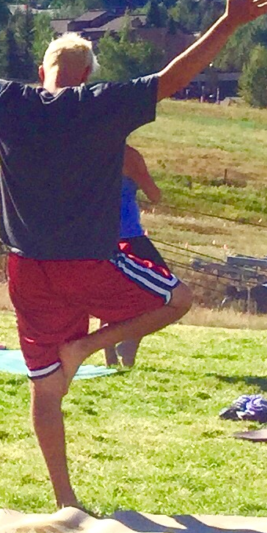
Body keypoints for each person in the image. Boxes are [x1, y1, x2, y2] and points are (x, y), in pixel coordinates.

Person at [0, 0, 267, 508]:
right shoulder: (102, 103)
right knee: (177, 300)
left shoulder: (8, 100)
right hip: (90, 261)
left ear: (41, 72)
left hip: (25, 270)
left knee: (46, 388)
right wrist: (226, 23)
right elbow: (173, 77)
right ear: (88, 75)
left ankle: (66, 500)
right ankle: (87, 348)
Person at [103, 144, 173, 367]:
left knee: (109, 295)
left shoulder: (90, 149)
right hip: (128, 234)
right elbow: (154, 195)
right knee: (166, 292)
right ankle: (130, 342)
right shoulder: (128, 155)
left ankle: (111, 356)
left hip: (97, 235)